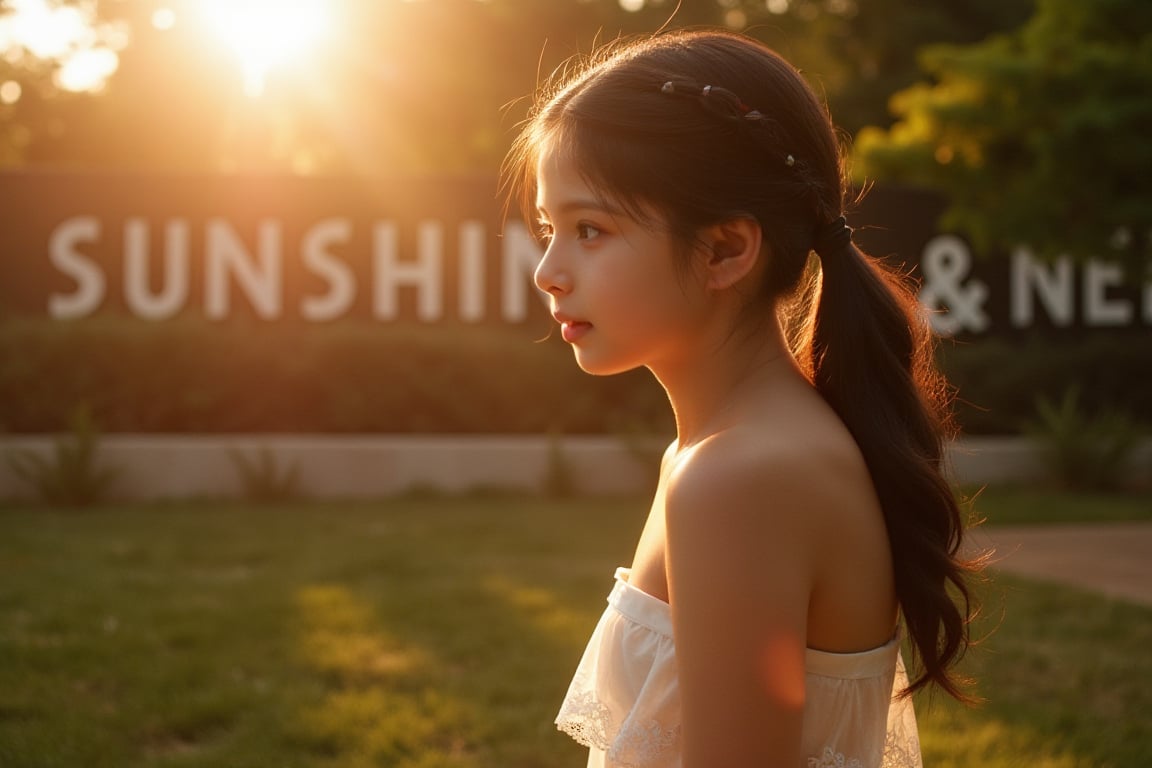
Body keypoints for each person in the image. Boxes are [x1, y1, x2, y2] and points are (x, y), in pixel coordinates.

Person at [503, 29, 981, 768]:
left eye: (589, 229)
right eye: (548, 228)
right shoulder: (726, 451)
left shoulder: (742, 475)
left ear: (726, 249)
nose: (548, 271)